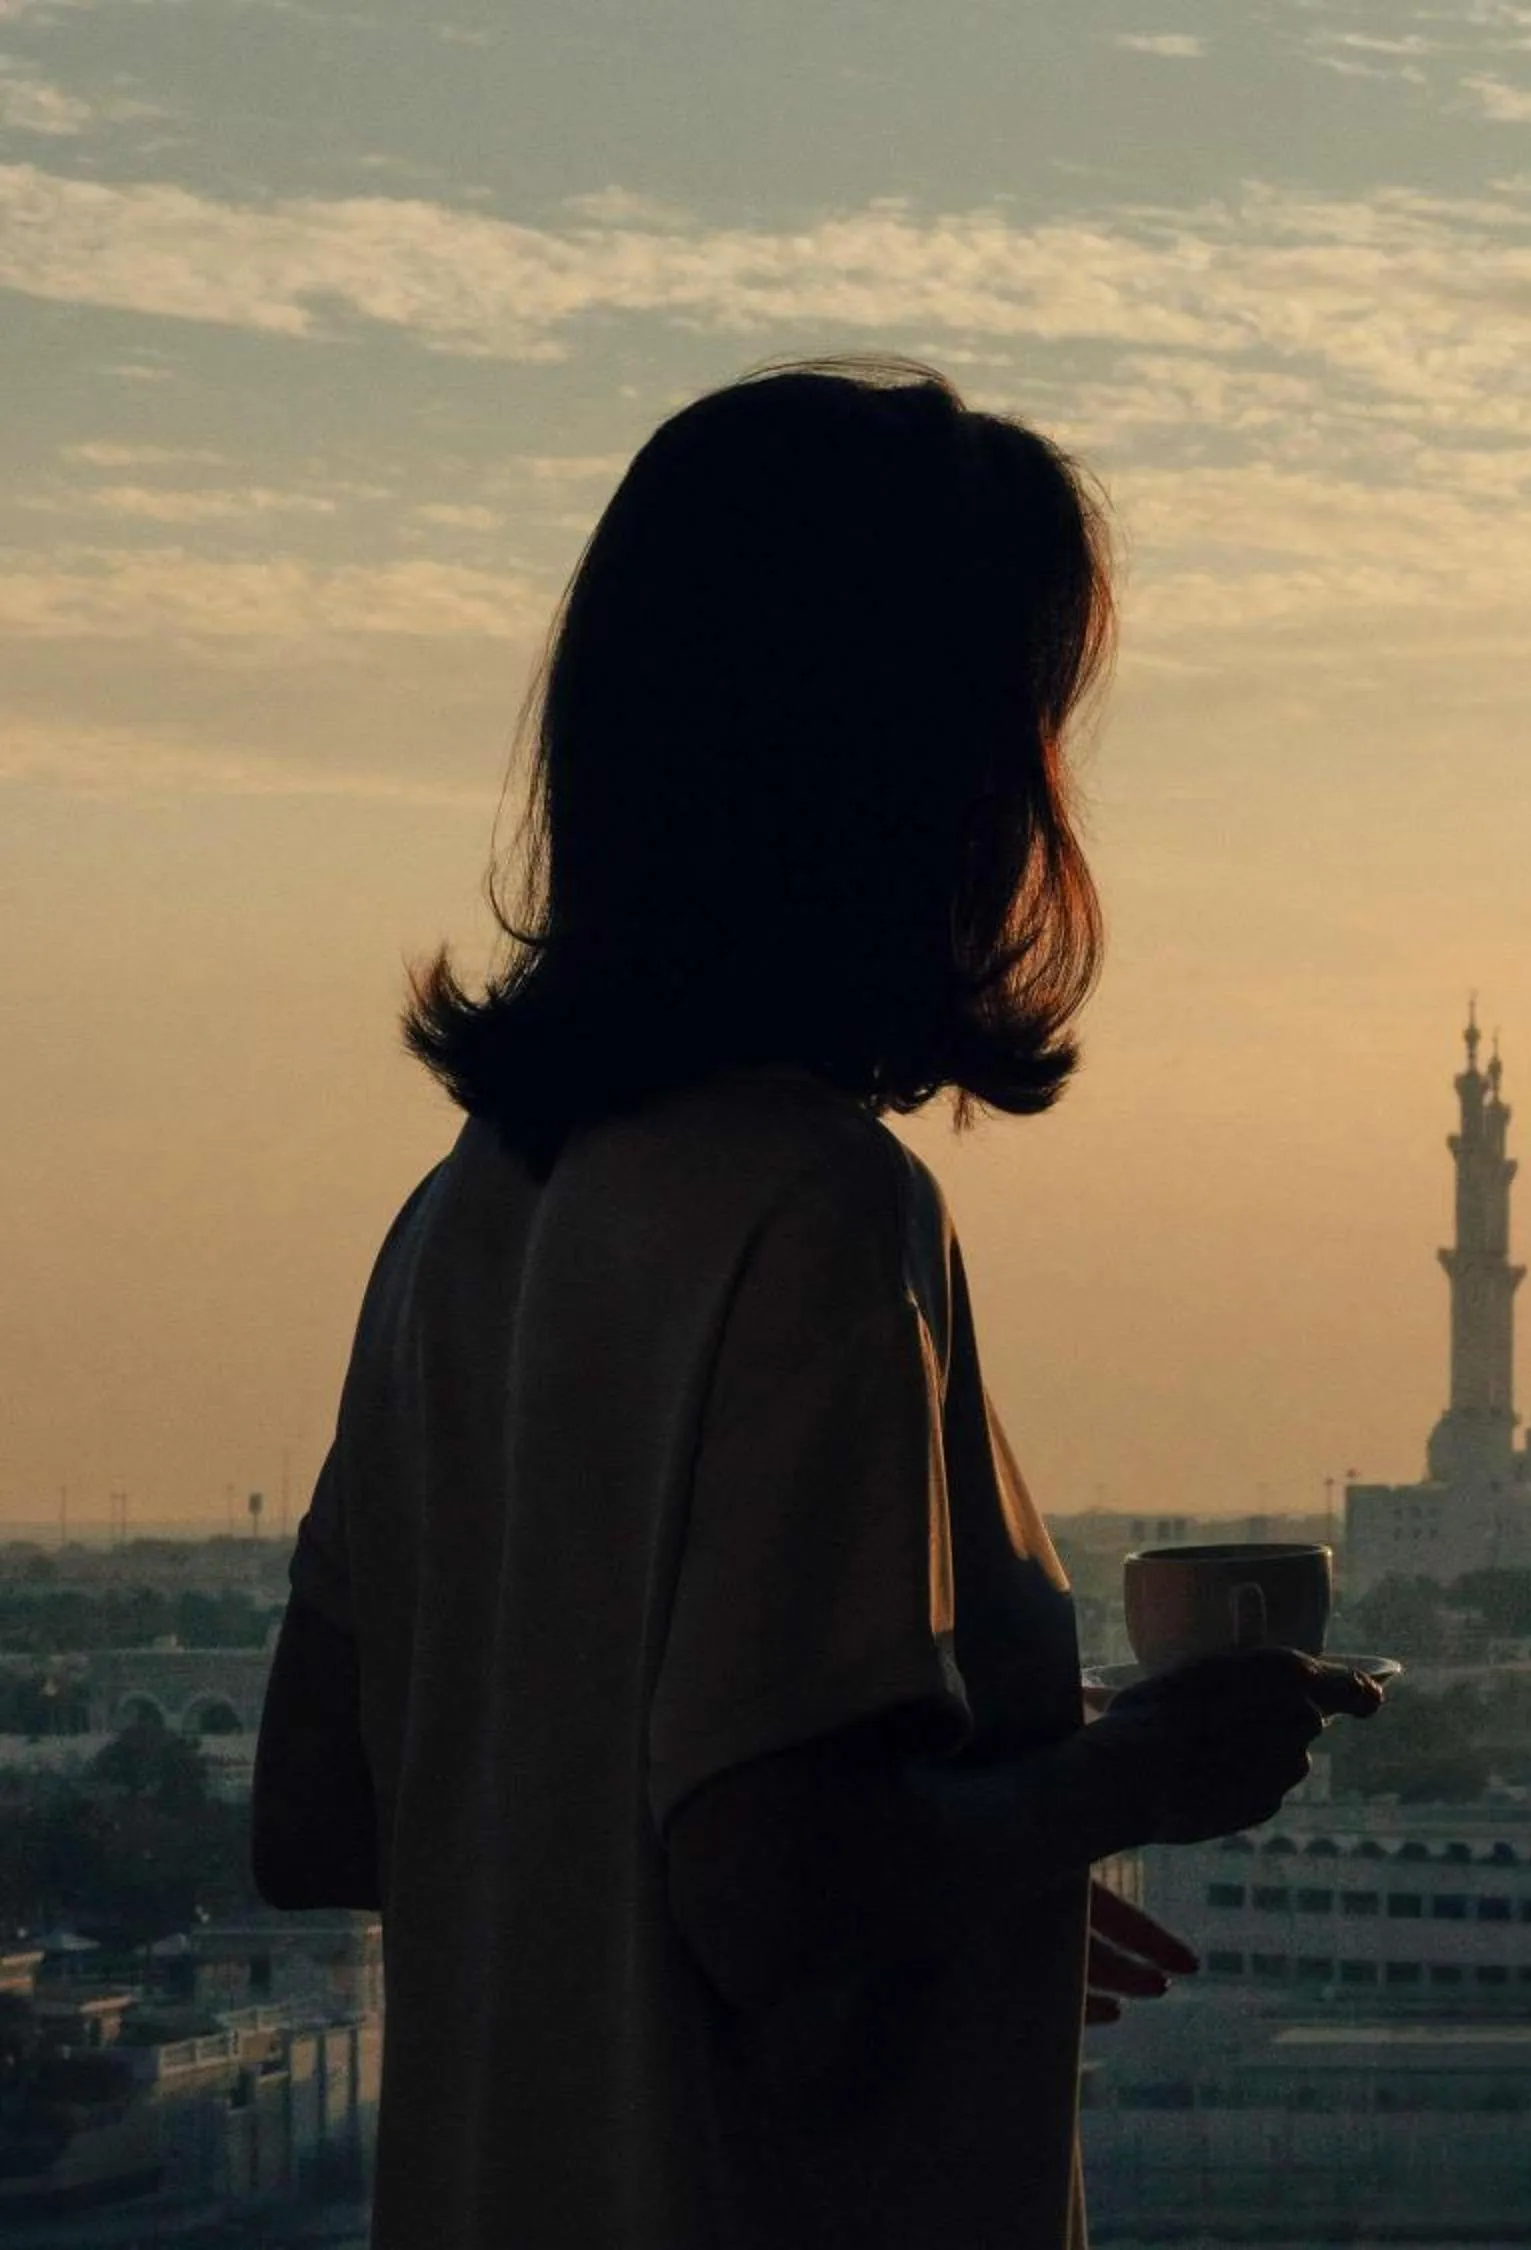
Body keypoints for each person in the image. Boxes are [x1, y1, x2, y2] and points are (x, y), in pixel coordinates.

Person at [249, 356, 1383, 2250]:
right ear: (910, 773)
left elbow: (326, 1815)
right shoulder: (821, 1218)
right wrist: (1120, 1777)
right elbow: (774, 1891)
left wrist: (968, 1880)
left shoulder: (460, 1226)